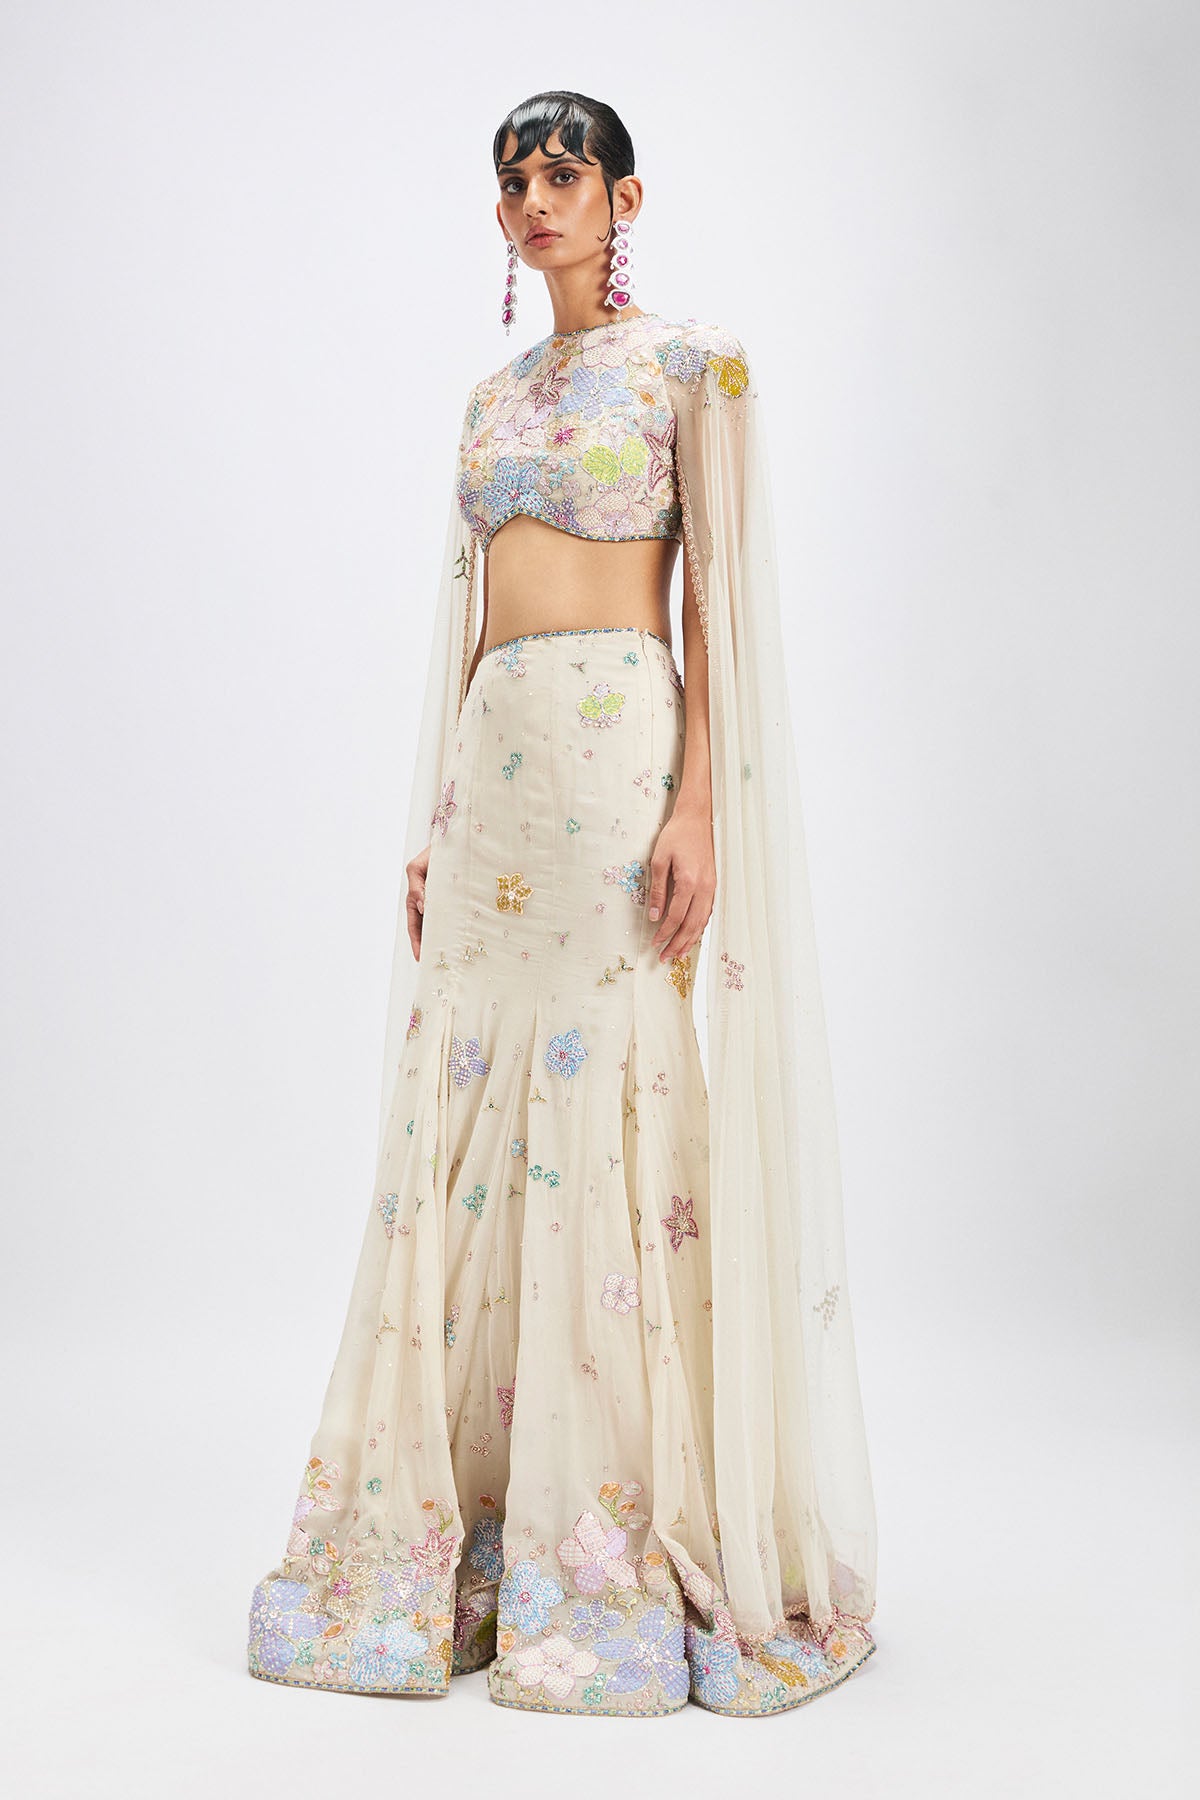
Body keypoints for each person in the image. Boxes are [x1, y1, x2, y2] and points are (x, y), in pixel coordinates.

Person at [247, 88, 878, 1719]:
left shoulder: (693, 369)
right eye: (515, 179)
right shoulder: (489, 397)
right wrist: (434, 816)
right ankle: (460, 1525)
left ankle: (600, 1533)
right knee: (460, 1113)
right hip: (497, 774)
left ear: (624, 197)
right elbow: (472, 621)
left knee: (608, 1096)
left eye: (563, 173)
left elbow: (719, 599)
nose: (536, 198)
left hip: (618, 758)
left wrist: (698, 803)